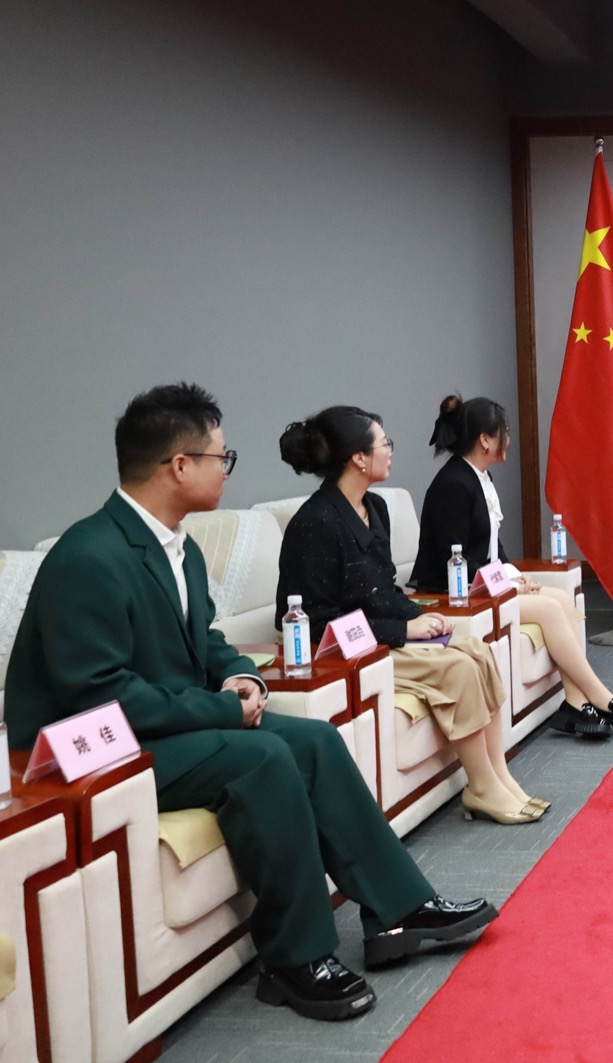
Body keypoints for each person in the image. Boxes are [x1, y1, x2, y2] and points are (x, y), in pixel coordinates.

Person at [4, 384, 494, 1022]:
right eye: (221, 458)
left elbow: (207, 641)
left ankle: (399, 910)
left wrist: (245, 679)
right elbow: (101, 699)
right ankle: (295, 958)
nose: (227, 470)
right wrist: (222, 711)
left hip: (159, 725)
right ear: (180, 465)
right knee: (261, 759)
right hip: (91, 753)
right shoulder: (88, 557)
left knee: (314, 740)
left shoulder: (178, 546)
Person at [275, 405, 542, 826]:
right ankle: (481, 787)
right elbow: (316, 623)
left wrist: (421, 618)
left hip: (384, 636)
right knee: (458, 668)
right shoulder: (315, 523)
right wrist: (402, 629)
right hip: (351, 655)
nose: (391, 451)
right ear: (359, 458)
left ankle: (499, 775)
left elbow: (384, 589)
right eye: (385, 444)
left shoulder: (375, 508)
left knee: (478, 650)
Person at [414, 394, 613, 739]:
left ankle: (575, 703)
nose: (508, 439)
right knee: (549, 609)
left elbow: (491, 548)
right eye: (505, 432)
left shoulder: (479, 477)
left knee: (560, 599)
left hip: (481, 587)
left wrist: (515, 576)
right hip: (454, 596)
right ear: (485, 440)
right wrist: (507, 583)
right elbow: (456, 559)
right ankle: (602, 698)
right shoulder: (453, 484)